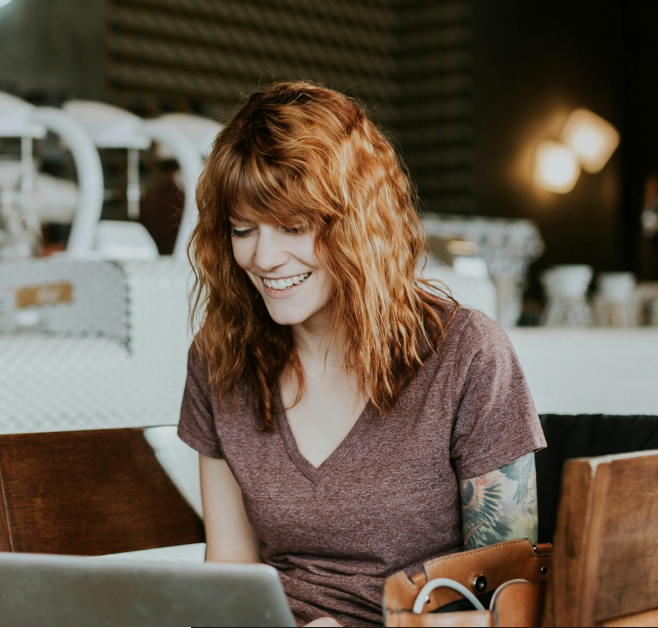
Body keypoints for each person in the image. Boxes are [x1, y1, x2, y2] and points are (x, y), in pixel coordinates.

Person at [176, 81, 546, 627]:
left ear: (358, 223)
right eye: (243, 229)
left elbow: (511, 601)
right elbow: (229, 573)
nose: (264, 257)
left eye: (294, 227)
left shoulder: (467, 354)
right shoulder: (220, 359)